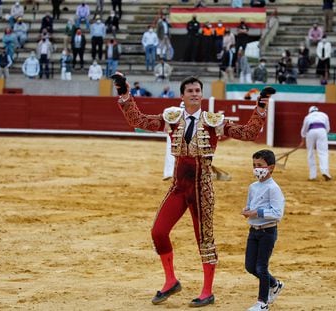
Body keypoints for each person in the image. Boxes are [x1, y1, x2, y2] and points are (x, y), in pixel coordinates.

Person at [111, 73, 271, 307]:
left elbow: (248, 133)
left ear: (202, 94)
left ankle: (207, 291)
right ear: (182, 96)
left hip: (202, 188)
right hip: (178, 187)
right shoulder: (173, 118)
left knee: (204, 240)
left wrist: (260, 109)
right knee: (158, 231)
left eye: (198, 91)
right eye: (190, 91)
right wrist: (125, 94)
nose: (195, 94)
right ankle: (171, 281)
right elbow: (139, 121)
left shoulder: (213, 120)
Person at [242, 149, 285, 311]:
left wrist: (256, 212)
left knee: (261, 267)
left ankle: (262, 303)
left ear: (271, 167)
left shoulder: (273, 189)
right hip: (253, 231)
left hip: (268, 232)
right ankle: (275, 284)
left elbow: (277, 213)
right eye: (254, 165)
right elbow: (250, 205)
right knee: (250, 267)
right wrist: (247, 210)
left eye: (260, 165)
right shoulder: (253, 187)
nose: (256, 168)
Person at [299, 105, 331, 181]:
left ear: (310, 111)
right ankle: (325, 171)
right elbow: (328, 128)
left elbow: (303, 131)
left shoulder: (308, 117)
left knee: (310, 153)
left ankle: (312, 176)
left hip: (311, 132)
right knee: (323, 152)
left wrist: (303, 141)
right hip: (322, 131)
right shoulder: (324, 115)